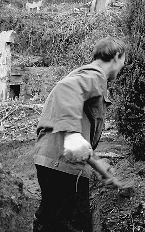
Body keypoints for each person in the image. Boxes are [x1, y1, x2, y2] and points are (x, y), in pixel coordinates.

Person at [33, 37, 126, 232]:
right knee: (74, 225)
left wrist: (102, 169)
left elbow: (81, 142)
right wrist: (72, 134)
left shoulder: (87, 78)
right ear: (117, 56)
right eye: (123, 61)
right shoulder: (95, 76)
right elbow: (66, 89)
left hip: (52, 158)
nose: (122, 67)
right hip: (62, 164)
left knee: (52, 220)